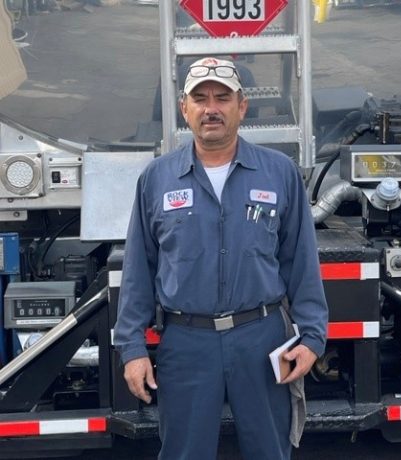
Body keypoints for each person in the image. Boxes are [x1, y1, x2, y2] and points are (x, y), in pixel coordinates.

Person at [114, 56, 328, 460]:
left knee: (269, 450)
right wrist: (133, 349)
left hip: (262, 338)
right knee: (184, 452)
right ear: (184, 109)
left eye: (222, 98)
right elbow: (138, 270)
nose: (211, 108)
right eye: (200, 98)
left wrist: (313, 336)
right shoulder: (156, 179)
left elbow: (301, 261)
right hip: (186, 343)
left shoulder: (279, 173)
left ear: (241, 107)